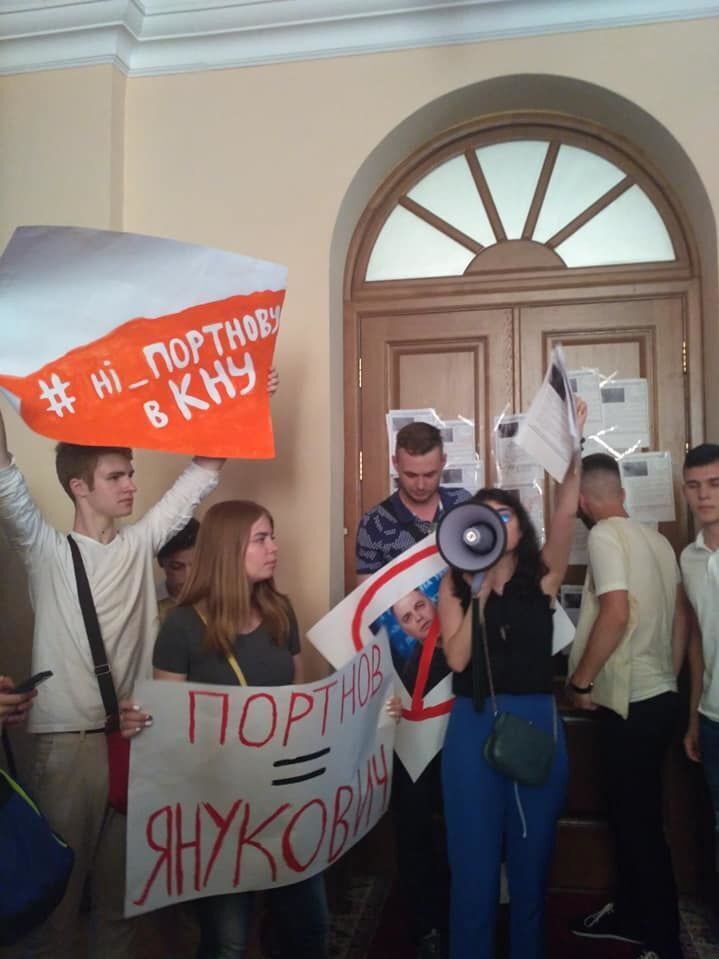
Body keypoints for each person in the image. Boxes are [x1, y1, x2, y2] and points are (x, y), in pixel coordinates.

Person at [0, 368, 276, 959]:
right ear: (79, 486)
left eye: (130, 473)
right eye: (116, 476)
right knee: (54, 902)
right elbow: (4, 477)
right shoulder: (47, 551)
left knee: (124, 901)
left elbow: (200, 474)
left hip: (138, 742)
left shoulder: (140, 542)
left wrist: (244, 391)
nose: (131, 484)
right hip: (67, 746)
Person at [121, 499, 329, 959]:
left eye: (272, 536)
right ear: (229, 548)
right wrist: (140, 719)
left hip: (283, 795)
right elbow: (169, 719)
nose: (274, 547)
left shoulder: (281, 611)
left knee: (309, 927)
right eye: (261, 539)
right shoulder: (181, 626)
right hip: (218, 807)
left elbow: (297, 695)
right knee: (228, 942)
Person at [437, 402, 585, 959]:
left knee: (530, 865)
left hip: (535, 725)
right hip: (471, 727)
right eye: (487, 516)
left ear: (521, 530)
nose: (498, 523)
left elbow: (566, 510)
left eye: (507, 515)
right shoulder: (454, 586)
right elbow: (457, 661)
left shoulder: (543, 579)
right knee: (472, 869)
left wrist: (573, 448)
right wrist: (476, 593)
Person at [567, 453, 686, 959]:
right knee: (632, 815)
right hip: (660, 696)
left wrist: (582, 680)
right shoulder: (657, 540)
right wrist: (668, 676)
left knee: (638, 826)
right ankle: (632, 914)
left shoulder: (602, 535)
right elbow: (681, 618)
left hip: (630, 704)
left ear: (582, 500)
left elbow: (614, 613)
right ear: (620, 493)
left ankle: (663, 942)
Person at [356, 421, 471, 580]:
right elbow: (368, 590)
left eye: (429, 475)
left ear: (443, 461)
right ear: (395, 463)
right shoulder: (373, 523)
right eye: (411, 475)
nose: (420, 485)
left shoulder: (463, 503)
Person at [680, 443, 719, 880]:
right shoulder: (688, 559)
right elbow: (696, 642)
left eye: (715, 483)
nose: (704, 494)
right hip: (711, 717)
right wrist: (692, 718)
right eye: (694, 485)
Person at [156, 517, 200, 622]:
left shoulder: (220, 600)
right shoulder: (148, 605)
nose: (188, 576)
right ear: (161, 561)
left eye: (196, 565)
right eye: (177, 567)